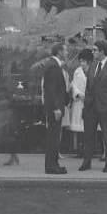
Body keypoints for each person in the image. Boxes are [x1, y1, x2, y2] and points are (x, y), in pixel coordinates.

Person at [81, 39, 107, 173]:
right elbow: (88, 86)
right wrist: (86, 100)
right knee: (88, 135)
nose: (92, 52)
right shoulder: (93, 65)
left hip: (105, 106)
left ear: (102, 51)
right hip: (91, 106)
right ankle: (86, 161)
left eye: (95, 50)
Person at [41, 43, 69, 175]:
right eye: (65, 50)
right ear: (59, 51)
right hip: (55, 109)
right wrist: (56, 108)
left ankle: (54, 164)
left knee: (54, 137)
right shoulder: (53, 66)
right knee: (53, 137)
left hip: (55, 108)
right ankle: (51, 166)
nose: (67, 52)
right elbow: (51, 90)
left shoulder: (53, 64)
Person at [67, 49, 92, 157]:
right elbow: (74, 85)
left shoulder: (94, 71)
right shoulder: (77, 71)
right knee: (78, 127)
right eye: (80, 61)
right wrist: (78, 94)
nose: (81, 63)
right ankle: (79, 149)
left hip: (90, 102)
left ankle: (90, 148)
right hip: (79, 102)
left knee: (90, 126)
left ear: (89, 61)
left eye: (84, 61)